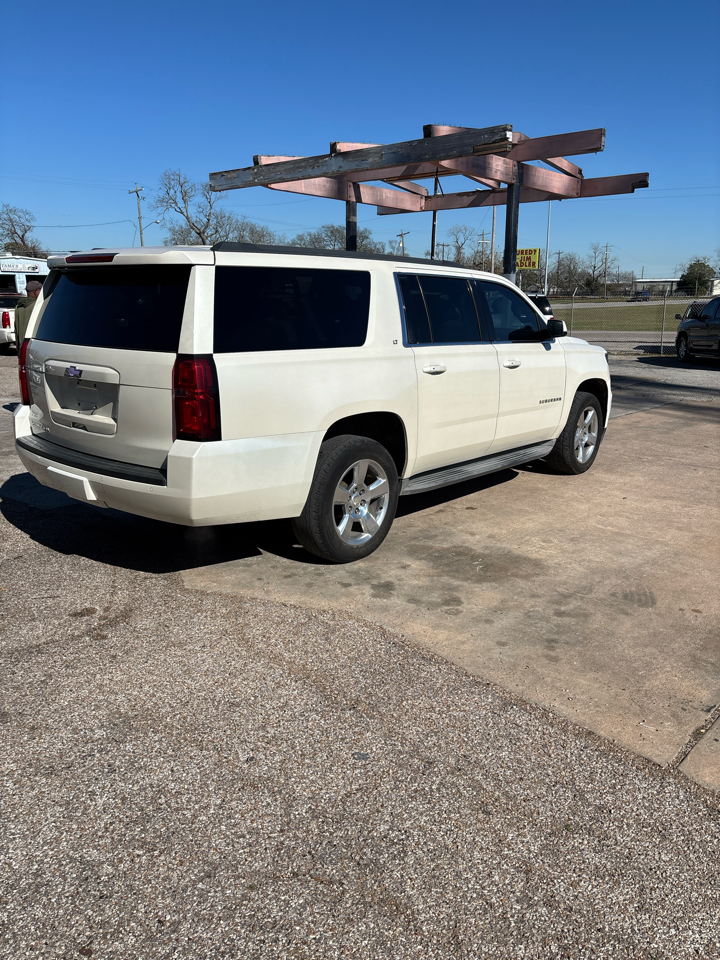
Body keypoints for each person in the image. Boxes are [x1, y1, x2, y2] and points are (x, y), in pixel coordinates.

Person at [14, 280, 43, 347]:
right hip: (34, 346)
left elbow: (16, 330)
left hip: (22, 346)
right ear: (35, 292)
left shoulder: (18, 307)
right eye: (40, 291)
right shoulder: (37, 306)